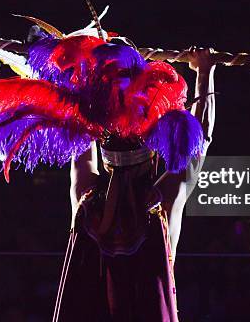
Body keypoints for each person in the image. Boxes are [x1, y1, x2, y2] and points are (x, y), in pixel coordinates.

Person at [53, 47, 216, 321]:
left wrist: (84, 77)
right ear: (152, 157)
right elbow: (200, 140)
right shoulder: (163, 203)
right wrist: (204, 71)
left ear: (106, 161)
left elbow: (79, 135)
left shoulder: (87, 201)